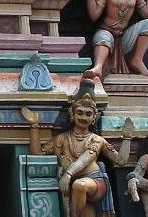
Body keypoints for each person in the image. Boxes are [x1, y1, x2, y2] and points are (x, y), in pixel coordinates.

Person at [22, 79, 133, 217]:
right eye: (80, 113)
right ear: (72, 113)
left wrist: (127, 139)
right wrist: (34, 126)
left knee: (80, 185)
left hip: (94, 182)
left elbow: (121, 160)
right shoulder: (61, 139)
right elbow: (37, 155)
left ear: (94, 117)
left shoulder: (96, 140)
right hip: (73, 188)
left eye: (88, 114)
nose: (84, 117)